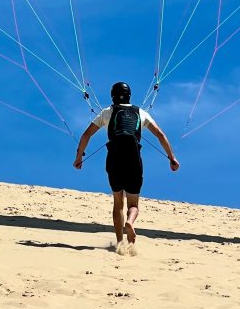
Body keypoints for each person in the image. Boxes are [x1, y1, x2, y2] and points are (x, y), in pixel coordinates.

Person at [73, 81, 180, 251]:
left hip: (114, 156)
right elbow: (160, 134)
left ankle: (120, 242)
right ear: (129, 95)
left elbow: (86, 135)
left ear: (112, 96)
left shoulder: (107, 112)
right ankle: (130, 222)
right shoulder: (141, 112)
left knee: (117, 202)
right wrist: (171, 158)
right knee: (133, 204)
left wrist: (79, 157)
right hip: (133, 158)